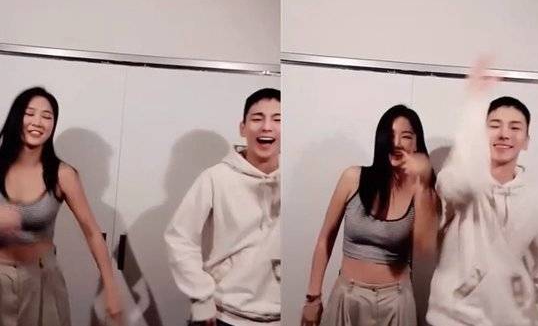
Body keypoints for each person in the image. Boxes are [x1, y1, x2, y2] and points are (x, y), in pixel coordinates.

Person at [427, 62, 538, 325]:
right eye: (495, 125)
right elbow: (461, 183)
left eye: (515, 127)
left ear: (526, 140)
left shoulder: (537, 202)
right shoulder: (457, 180)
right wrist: (475, 102)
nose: (504, 134)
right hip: (451, 319)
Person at [301, 105, 438, 326]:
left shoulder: (423, 191)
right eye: (390, 135)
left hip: (397, 301)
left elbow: (425, 250)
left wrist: (423, 184)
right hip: (348, 296)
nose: (397, 143)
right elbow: (325, 238)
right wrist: (313, 298)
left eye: (406, 136)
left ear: (416, 144)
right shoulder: (353, 177)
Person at [0, 87, 123, 325]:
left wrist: (111, 288)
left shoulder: (62, 174)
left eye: (47, 116)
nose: (38, 122)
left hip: (42, 281)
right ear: (17, 117)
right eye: (30, 113)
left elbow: (92, 232)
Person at [165, 88, 281, 325]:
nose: (266, 127)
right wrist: (201, 298)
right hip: (223, 315)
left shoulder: (294, 182)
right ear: (243, 128)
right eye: (257, 118)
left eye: (278, 119)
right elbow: (179, 238)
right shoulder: (216, 178)